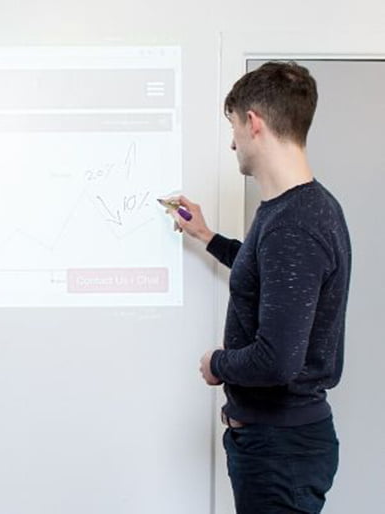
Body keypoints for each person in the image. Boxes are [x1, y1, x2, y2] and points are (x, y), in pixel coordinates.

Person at [168, 62, 351, 513]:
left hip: (279, 450)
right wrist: (208, 237)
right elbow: (267, 272)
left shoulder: (295, 223)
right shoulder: (298, 209)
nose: (232, 143)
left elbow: (278, 360)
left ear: (254, 122)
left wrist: (218, 363)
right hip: (278, 446)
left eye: (233, 126)